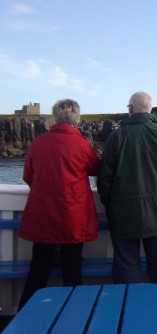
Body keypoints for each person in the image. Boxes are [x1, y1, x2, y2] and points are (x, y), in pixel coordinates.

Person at [97, 91, 157, 332]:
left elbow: (105, 177)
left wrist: (110, 203)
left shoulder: (117, 136)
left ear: (130, 109)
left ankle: (130, 316)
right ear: (150, 110)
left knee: (126, 264)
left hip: (124, 212)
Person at [18, 99, 100, 309]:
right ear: (76, 119)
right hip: (72, 216)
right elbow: (95, 168)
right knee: (72, 269)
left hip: (43, 214)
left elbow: (28, 176)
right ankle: (74, 316)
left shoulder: (38, 143)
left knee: (38, 267)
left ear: (54, 118)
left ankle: (26, 315)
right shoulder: (81, 145)